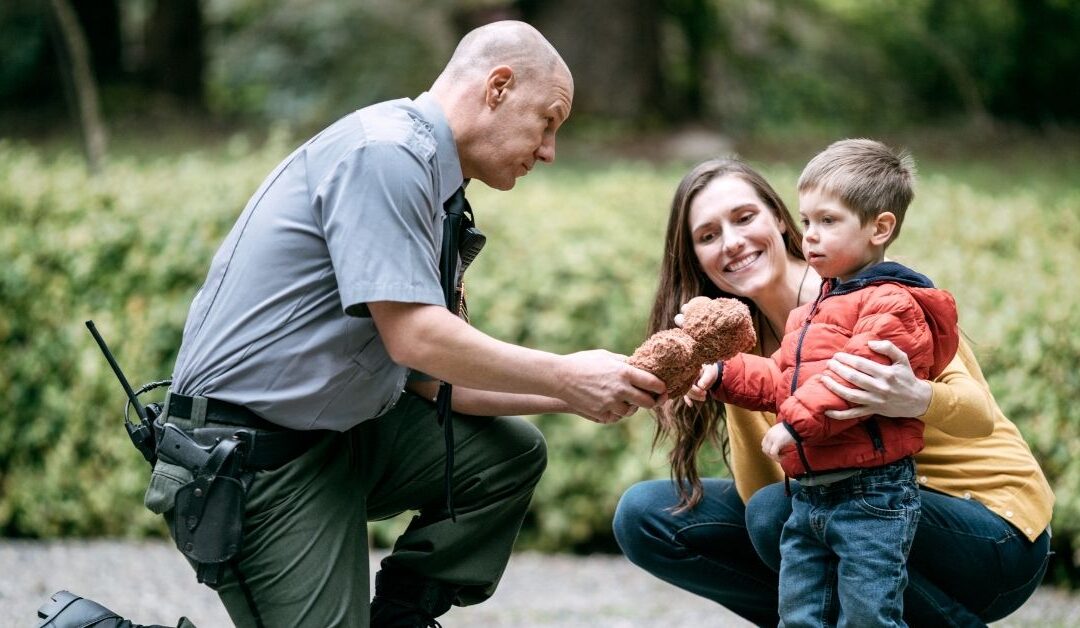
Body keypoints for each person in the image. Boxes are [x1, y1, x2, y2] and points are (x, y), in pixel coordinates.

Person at [40, 20, 665, 628]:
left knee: (505, 454)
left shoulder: (439, 184)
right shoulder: (388, 154)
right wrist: (565, 374)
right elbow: (416, 335)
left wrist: (591, 392)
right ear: (497, 87)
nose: (551, 151)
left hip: (334, 437)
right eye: (547, 122)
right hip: (250, 460)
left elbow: (430, 377)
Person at [612, 156, 1053, 627]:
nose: (732, 242)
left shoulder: (870, 295)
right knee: (648, 515)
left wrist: (917, 398)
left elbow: (979, 414)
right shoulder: (736, 344)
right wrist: (720, 380)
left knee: (780, 511)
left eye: (744, 218)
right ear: (696, 256)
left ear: (779, 220)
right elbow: (762, 489)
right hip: (845, 509)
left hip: (988, 530)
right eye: (708, 235)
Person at [685, 139, 958, 626]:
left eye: (828, 222)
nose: (810, 236)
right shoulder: (816, 309)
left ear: (880, 228)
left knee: (868, 614)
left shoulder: (891, 303)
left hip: (873, 494)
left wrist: (793, 425)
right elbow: (782, 376)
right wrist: (723, 372)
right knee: (801, 615)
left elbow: (845, 380)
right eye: (807, 220)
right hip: (814, 491)